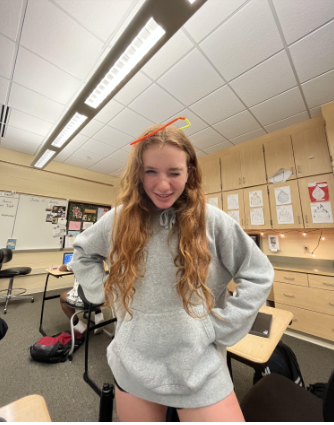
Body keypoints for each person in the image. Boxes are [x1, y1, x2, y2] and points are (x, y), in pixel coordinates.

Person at [71, 121, 274, 422]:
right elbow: (83, 252)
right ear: (138, 172)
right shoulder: (119, 220)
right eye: (151, 171)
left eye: (174, 173)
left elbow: (258, 272)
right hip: (134, 366)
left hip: (199, 369)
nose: (162, 185)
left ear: (189, 172)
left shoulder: (213, 221)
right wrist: (106, 291)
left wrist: (223, 325)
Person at [59, 263, 104, 335]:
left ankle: (77, 324)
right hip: (102, 297)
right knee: (94, 288)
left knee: (62, 297)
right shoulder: (99, 260)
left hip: (84, 299)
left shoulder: (77, 260)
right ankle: (98, 315)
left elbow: (61, 268)